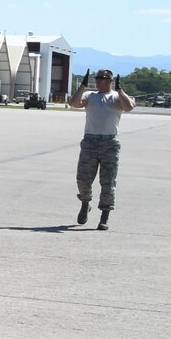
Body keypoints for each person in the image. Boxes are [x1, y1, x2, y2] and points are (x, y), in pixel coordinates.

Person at [66, 68, 134, 230]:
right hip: (90, 141)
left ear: (111, 81)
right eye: (97, 78)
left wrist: (120, 90)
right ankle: (85, 202)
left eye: (104, 78)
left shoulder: (117, 97)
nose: (99, 81)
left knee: (108, 181)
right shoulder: (90, 96)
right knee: (83, 179)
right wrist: (82, 85)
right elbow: (74, 103)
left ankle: (104, 215)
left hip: (109, 143)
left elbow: (129, 107)